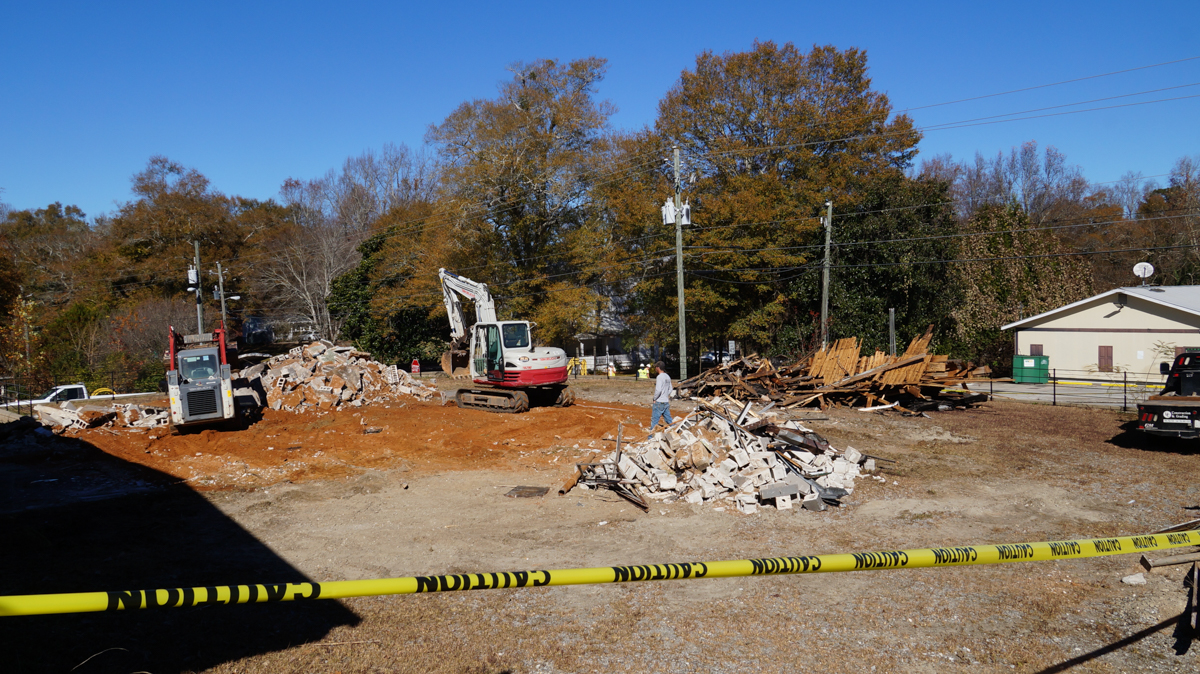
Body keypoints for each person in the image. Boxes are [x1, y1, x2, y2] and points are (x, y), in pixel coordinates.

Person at [651, 361, 672, 429]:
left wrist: (654, 398)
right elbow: (670, 389)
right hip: (666, 401)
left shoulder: (659, 377)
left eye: (656, 367)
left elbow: (658, 390)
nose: (655, 369)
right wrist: (666, 395)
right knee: (669, 420)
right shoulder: (667, 376)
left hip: (659, 402)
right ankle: (676, 431)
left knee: (654, 421)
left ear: (658, 368)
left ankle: (650, 437)